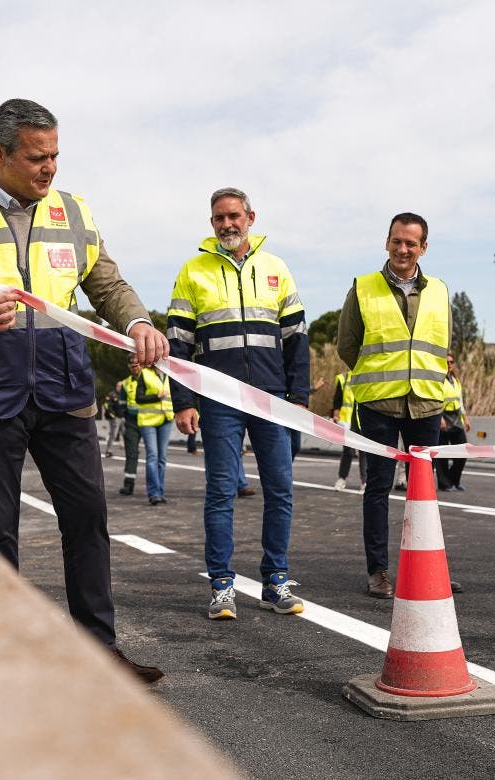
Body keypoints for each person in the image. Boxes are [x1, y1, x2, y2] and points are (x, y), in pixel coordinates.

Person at [0, 98, 166, 683]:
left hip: (64, 388)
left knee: (88, 516)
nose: (50, 168)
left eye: (55, 156)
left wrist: (139, 322)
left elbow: (107, 283)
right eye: (36, 157)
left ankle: (99, 650)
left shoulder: (72, 210)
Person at [168, 187, 310, 620]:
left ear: (251, 217)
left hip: (272, 400)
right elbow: (177, 342)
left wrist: (299, 397)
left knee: (281, 490)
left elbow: (297, 339)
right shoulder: (193, 271)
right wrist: (184, 400)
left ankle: (276, 581)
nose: (227, 224)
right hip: (219, 401)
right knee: (220, 492)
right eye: (218, 218)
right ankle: (222, 585)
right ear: (211, 223)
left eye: (234, 216)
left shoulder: (276, 268)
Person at [337, 212, 461, 599]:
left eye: (411, 243)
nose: (403, 249)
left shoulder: (440, 290)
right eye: (396, 241)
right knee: (378, 488)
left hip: (426, 404)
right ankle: (379, 571)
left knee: (425, 493)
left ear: (423, 247)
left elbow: (442, 344)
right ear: (387, 242)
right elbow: (347, 345)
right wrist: (380, 373)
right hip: (379, 405)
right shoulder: (363, 287)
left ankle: (428, 567)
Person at [135, 365, 173, 505]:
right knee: (152, 456)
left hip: (166, 419)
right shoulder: (144, 374)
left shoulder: (170, 374)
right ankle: (154, 493)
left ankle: (160, 492)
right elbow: (138, 398)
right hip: (148, 420)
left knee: (162, 458)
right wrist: (157, 396)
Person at [436, 352, 471, 492]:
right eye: (446, 362)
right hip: (443, 418)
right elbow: (436, 401)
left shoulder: (455, 380)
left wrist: (465, 418)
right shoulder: (439, 380)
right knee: (442, 455)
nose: (449, 364)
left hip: (456, 418)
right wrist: (440, 418)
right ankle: (444, 484)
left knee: (463, 452)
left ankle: (454, 480)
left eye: (451, 362)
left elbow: (460, 401)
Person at [333, 371, 367, 491]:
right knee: (348, 451)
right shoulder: (344, 378)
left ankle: (364, 481)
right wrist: (336, 415)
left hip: (362, 419)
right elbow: (337, 399)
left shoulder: (367, 374)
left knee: (364, 451)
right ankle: (342, 478)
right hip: (347, 421)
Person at [117, 371, 142, 496]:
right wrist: (124, 415)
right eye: (132, 365)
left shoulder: (150, 377)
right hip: (132, 421)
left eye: (137, 363)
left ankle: (157, 489)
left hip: (151, 420)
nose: (135, 367)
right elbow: (121, 403)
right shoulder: (125, 383)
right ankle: (129, 484)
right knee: (131, 453)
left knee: (156, 456)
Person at [101, 386, 124, 458]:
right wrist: (112, 415)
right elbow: (106, 405)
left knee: (126, 433)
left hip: (123, 417)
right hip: (115, 418)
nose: (120, 388)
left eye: (121, 386)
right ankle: (108, 451)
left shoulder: (123, 395)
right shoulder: (112, 394)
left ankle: (131, 449)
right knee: (113, 434)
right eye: (119, 386)